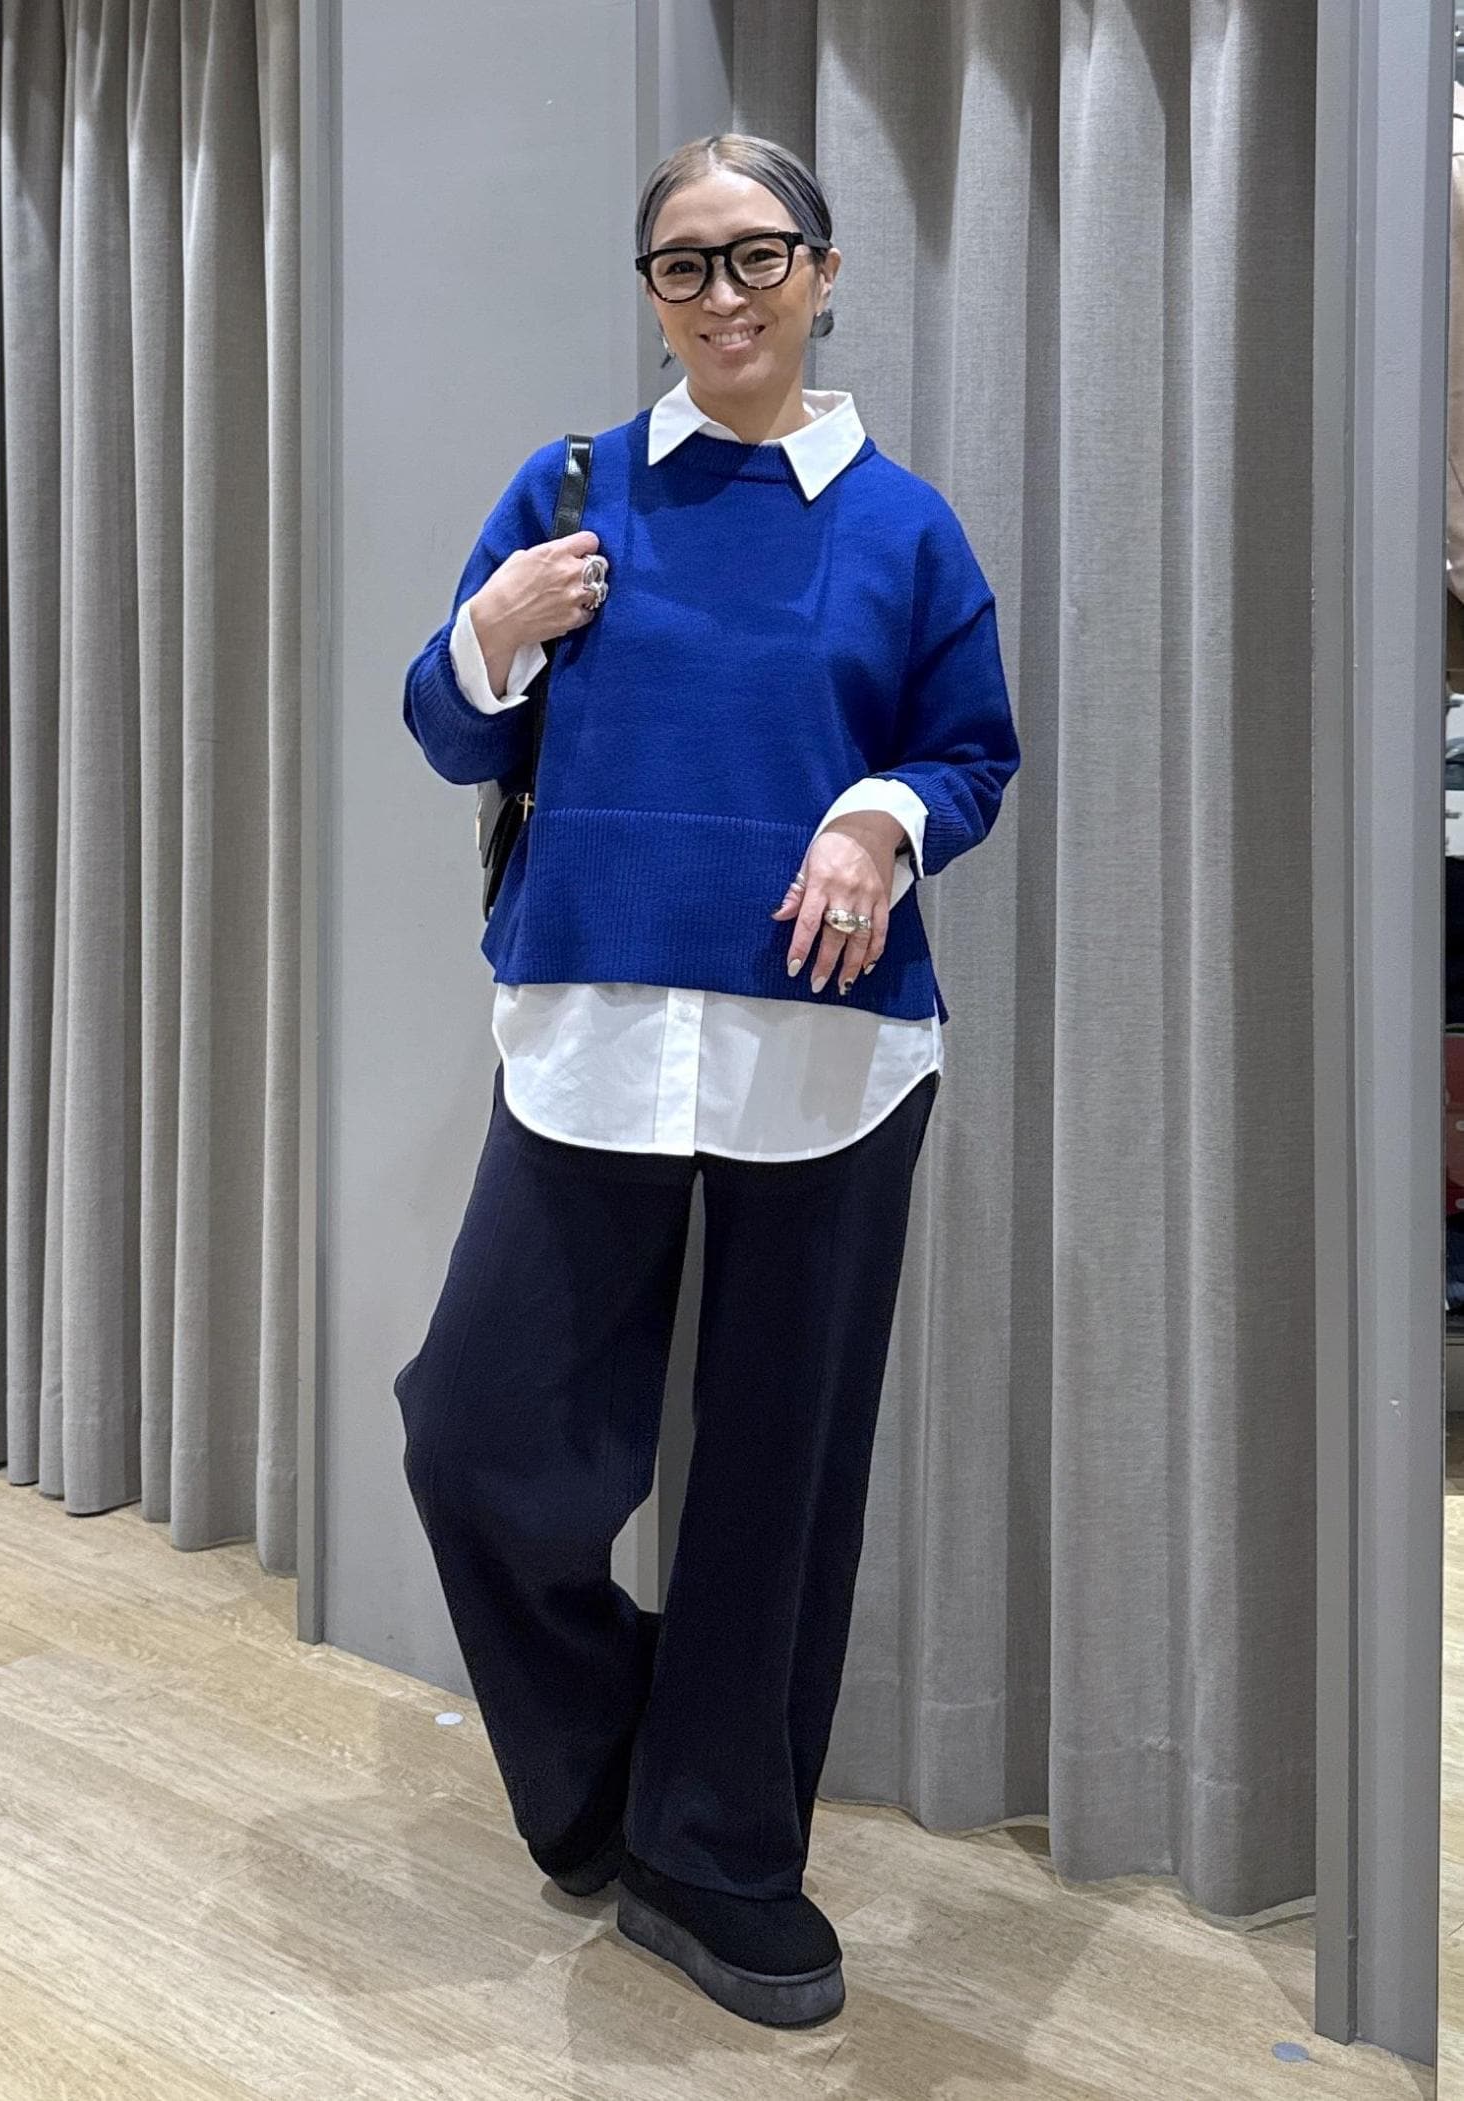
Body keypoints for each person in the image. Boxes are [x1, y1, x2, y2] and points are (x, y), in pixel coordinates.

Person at [393, 131, 1020, 2030]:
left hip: (825, 1055)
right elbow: (445, 728)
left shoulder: (906, 529)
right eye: (685, 264)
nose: (724, 294)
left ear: (824, 272)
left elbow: (974, 751)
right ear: (652, 295)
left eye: (759, 255)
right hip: (588, 1037)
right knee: (475, 1436)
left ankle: (719, 1852)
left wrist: (880, 815)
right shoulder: (570, 491)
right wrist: (489, 635)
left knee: (776, 1482)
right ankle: (614, 1766)